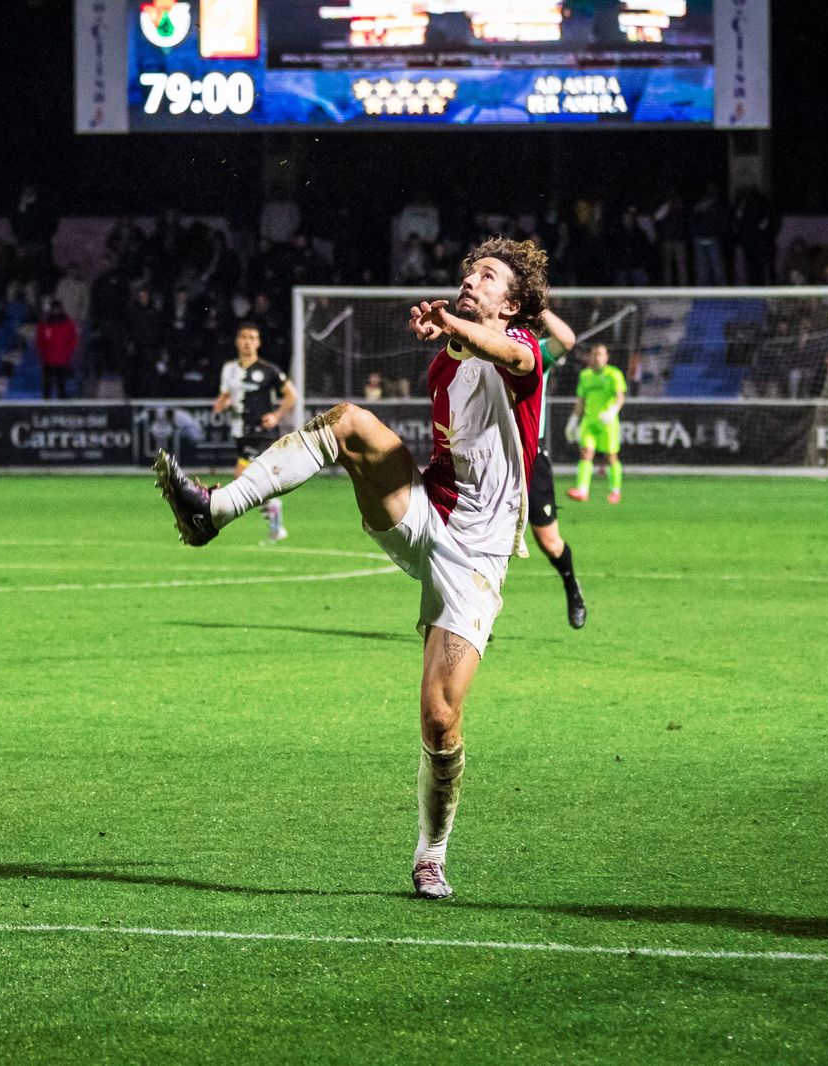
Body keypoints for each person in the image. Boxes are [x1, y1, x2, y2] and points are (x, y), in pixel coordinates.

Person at [154, 236, 547, 900]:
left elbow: (506, 351)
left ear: (513, 302)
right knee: (352, 423)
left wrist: (455, 324)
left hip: (475, 560)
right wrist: (450, 332)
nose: (470, 281)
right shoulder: (445, 364)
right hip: (426, 513)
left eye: (486, 276)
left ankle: (431, 854)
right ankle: (212, 512)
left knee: (439, 718)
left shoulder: (524, 355)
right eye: (469, 273)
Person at [212, 321, 297, 542]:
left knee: (241, 475)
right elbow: (224, 397)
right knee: (254, 480)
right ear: (237, 341)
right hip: (240, 431)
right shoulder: (229, 369)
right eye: (244, 337)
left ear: (258, 342)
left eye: (252, 338)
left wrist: (276, 416)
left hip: (261, 432)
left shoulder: (268, 370)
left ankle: (273, 521)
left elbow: (291, 395)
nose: (247, 342)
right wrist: (221, 404)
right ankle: (275, 523)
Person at [529, 309, 587, 628]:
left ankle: (572, 587)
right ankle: (477, 614)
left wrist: (539, 306)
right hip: (493, 457)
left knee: (549, 541)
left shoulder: (536, 351)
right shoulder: (481, 349)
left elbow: (566, 339)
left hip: (533, 457)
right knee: (484, 540)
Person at [566, 343, 627, 504]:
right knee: (586, 453)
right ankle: (582, 490)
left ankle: (615, 491)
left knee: (611, 457)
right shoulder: (585, 375)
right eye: (595, 354)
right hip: (589, 421)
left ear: (606, 357)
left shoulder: (614, 374)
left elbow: (620, 396)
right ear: (590, 357)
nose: (597, 357)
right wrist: (573, 421)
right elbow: (581, 400)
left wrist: (613, 411)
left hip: (608, 423)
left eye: (601, 354)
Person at [35, 300, 80, 400]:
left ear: (61, 309)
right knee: (47, 387)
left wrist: (67, 355)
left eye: (58, 309)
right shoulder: (44, 325)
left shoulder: (68, 324)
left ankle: (62, 408)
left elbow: (73, 341)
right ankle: (45, 408)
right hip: (48, 361)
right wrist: (43, 356)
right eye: (54, 309)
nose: (55, 311)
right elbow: (39, 342)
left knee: (61, 386)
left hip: (62, 361)